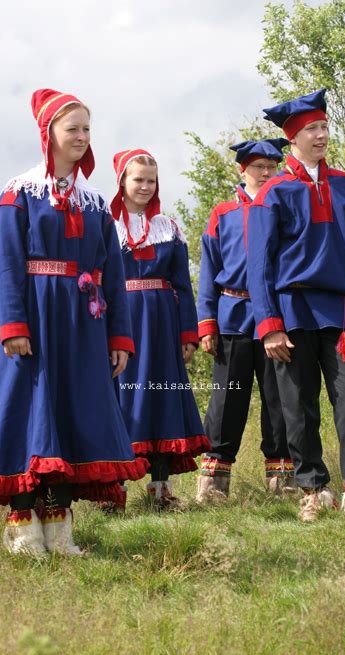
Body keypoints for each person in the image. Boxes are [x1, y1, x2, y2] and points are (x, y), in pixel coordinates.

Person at [0, 89, 148, 554]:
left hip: (84, 326)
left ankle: (59, 526)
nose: (81, 137)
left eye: (86, 129)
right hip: (37, 322)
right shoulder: (18, 194)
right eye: (72, 129)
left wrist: (118, 336)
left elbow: (113, 278)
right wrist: (14, 326)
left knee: (71, 414)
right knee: (30, 416)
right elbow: (7, 266)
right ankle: (22, 527)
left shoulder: (98, 203)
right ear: (49, 134)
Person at [247, 88, 345, 522]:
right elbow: (259, 264)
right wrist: (269, 324)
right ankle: (312, 489)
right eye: (313, 129)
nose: (322, 135)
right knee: (297, 403)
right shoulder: (273, 192)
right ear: (293, 138)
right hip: (290, 312)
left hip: (343, 311)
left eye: (324, 126)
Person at [110, 148, 210, 509]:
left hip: (162, 325)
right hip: (121, 323)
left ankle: (160, 489)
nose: (145, 187)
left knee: (161, 397)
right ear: (122, 181)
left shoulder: (169, 229)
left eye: (151, 181)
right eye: (138, 179)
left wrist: (188, 333)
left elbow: (182, 285)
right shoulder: (106, 227)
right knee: (120, 400)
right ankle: (112, 491)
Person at [196, 138, 295, 503]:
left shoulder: (284, 207)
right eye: (258, 166)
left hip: (275, 319)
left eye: (272, 166)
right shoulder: (223, 212)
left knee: (278, 398)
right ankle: (214, 483)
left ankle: (283, 481)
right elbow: (209, 270)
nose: (266, 172)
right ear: (243, 170)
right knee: (226, 400)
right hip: (232, 318)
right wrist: (206, 323)